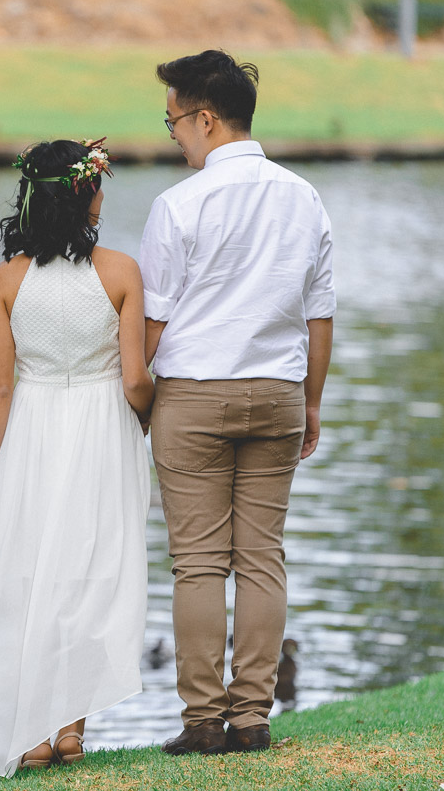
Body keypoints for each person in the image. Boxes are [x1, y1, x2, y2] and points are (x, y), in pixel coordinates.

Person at [0, 138, 154, 775]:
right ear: (84, 195)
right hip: (102, 427)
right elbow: (135, 378)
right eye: (100, 185)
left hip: (32, 430)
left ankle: (35, 735)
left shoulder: (5, 281)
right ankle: (69, 726)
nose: (105, 196)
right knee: (90, 566)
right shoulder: (122, 272)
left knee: (30, 568)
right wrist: (151, 415)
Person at [139, 50, 335, 755]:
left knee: (197, 563)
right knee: (261, 559)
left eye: (174, 125)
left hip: (193, 395)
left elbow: (154, 323)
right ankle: (253, 719)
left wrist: (137, 394)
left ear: (206, 118)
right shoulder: (304, 196)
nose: (175, 138)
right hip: (279, 393)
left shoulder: (179, 205)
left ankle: (201, 722)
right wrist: (311, 403)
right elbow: (320, 317)